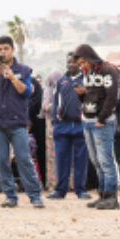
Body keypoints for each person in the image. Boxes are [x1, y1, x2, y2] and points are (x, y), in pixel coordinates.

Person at [0, 36, 44, 209]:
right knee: (1, 160)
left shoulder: (24, 70)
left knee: (24, 158)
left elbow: (26, 93)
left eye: (5, 49)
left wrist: (12, 78)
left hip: (17, 122)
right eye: (0, 49)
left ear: (12, 50)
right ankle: (10, 196)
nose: (2, 52)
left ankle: (35, 196)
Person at [72, 44, 120, 210]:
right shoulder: (88, 72)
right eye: (79, 63)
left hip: (102, 121)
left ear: (89, 56)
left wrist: (102, 118)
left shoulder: (108, 70)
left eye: (83, 61)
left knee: (106, 160)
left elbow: (111, 96)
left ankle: (111, 196)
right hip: (87, 119)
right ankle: (102, 194)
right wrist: (82, 96)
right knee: (96, 161)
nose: (82, 65)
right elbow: (91, 94)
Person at [47, 54, 90, 200]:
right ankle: (60, 190)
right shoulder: (61, 81)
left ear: (80, 64)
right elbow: (54, 101)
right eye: (68, 62)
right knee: (61, 159)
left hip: (81, 125)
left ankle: (80, 190)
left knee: (81, 159)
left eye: (74, 62)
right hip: (62, 125)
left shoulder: (87, 80)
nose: (71, 65)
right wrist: (54, 121)